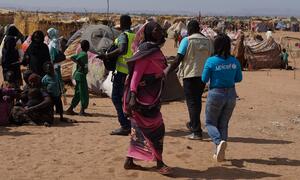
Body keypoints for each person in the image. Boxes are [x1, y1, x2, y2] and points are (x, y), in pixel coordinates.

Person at [123, 21, 171, 175]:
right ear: (150, 32)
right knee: (157, 130)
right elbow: (135, 76)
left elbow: (161, 71)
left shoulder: (155, 50)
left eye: (160, 29)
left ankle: (130, 161)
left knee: (139, 130)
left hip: (153, 98)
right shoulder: (145, 51)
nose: (159, 31)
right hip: (142, 100)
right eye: (156, 29)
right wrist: (132, 96)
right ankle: (159, 163)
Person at [164, 20, 214, 140]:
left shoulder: (187, 40)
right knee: (196, 101)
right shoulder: (208, 41)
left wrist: (167, 71)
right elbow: (212, 58)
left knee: (192, 103)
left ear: (190, 29)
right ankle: (193, 124)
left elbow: (178, 59)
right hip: (203, 76)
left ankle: (196, 131)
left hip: (190, 76)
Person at [202, 34, 242, 162]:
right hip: (231, 94)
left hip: (216, 94)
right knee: (223, 124)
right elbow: (239, 78)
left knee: (210, 123)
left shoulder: (211, 61)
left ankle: (218, 142)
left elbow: (204, 79)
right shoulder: (234, 61)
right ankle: (220, 153)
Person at [98, 15, 136, 135]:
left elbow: (122, 49)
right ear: (130, 23)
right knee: (128, 99)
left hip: (122, 73)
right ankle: (132, 123)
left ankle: (125, 125)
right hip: (133, 72)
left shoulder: (123, 36)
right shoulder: (135, 36)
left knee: (116, 98)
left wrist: (107, 56)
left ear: (121, 24)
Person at [65, 40, 90, 116]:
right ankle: (82, 110)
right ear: (88, 47)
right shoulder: (84, 54)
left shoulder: (81, 53)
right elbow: (75, 59)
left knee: (78, 93)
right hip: (81, 76)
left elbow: (73, 57)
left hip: (78, 75)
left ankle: (70, 109)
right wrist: (80, 64)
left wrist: (78, 63)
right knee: (84, 93)